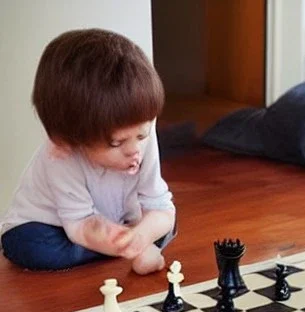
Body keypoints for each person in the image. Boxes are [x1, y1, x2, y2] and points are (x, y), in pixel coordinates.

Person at [0, 29, 176, 275]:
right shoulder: (60, 156)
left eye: (142, 135)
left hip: (118, 222)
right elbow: (80, 224)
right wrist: (136, 244)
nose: (134, 150)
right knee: (26, 245)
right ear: (68, 141)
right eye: (116, 143)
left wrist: (141, 234)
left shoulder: (141, 128)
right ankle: (121, 248)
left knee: (167, 223)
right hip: (55, 226)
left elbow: (158, 203)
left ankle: (120, 246)